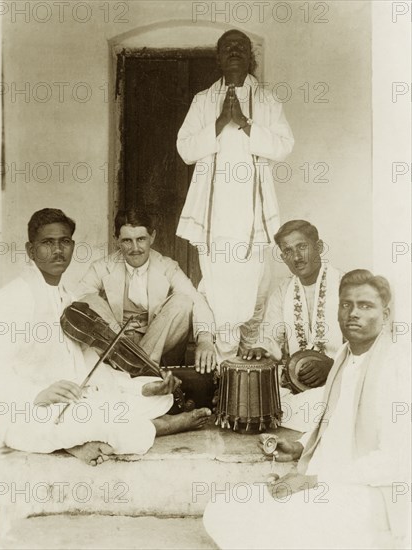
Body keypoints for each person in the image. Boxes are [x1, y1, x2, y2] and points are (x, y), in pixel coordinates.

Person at [204, 270, 410, 549]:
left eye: (365, 306)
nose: (353, 313)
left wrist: (313, 480)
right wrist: (300, 446)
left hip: (371, 495)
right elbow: (334, 420)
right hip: (328, 484)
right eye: (346, 304)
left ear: (385, 315)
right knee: (222, 507)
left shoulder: (397, 366)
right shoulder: (344, 355)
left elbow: (395, 463)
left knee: (285, 519)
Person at [0, 209, 211, 467]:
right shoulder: (13, 298)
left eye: (64, 242)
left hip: (77, 397)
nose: (58, 250)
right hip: (32, 405)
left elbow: (90, 366)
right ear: (31, 250)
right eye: (47, 243)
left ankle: (84, 439)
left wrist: (140, 387)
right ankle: (157, 427)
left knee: (150, 398)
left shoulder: (68, 299)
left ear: (72, 246)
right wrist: (39, 394)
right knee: (48, 422)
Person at [176, 29, 295, 362]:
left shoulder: (269, 101)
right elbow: (185, 148)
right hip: (215, 215)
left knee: (256, 290)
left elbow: (284, 146)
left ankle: (249, 370)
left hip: (252, 212)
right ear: (217, 57)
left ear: (249, 56)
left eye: (240, 47)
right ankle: (225, 369)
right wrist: (219, 122)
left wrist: (243, 122)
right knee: (218, 291)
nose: (233, 51)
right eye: (226, 47)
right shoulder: (202, 101)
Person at [76, 207, 216, 374]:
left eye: (141, 239)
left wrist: (206, 339)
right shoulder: (102, 267)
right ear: (117, 240)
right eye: (127, 241)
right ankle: (134, 364)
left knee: (184, 302)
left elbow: (197, 300)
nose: (135, 248)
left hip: (157, 342)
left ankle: (135, 365)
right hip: (116, 341)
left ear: (152, 237)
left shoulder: (167, 267)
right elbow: (79, 299)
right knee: (88, 299)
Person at [240, 220, 343, 431]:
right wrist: (261, 350)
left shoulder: (344, 285)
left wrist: (333, 367)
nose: (296, 257)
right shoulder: (283, 291)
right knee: (252, 398)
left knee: (334, 402)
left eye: (302, 247)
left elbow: (364, 349)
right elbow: (270, 339)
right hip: (298, 383)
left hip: (338, 379)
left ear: (319, 247)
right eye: (287, 251)